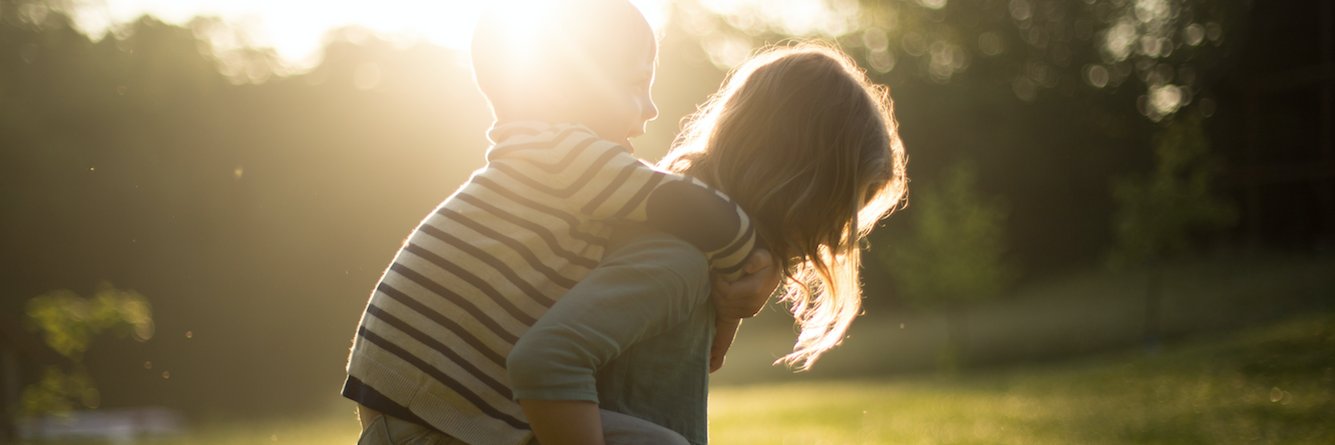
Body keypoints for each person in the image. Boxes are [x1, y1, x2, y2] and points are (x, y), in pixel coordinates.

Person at [343, 0, 780, 444]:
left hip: (423, 408)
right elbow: (696, 208)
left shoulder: (545, 159)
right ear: (564, 87)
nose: (650, 109)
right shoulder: (563, 155)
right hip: (430, 416)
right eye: (636, 84)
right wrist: (752, 268)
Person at [507, 43, 908, 445]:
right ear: (797, 184)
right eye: (837, 213)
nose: (834, 239)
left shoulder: (699, 257)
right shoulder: (678, 263)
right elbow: (546, 359)